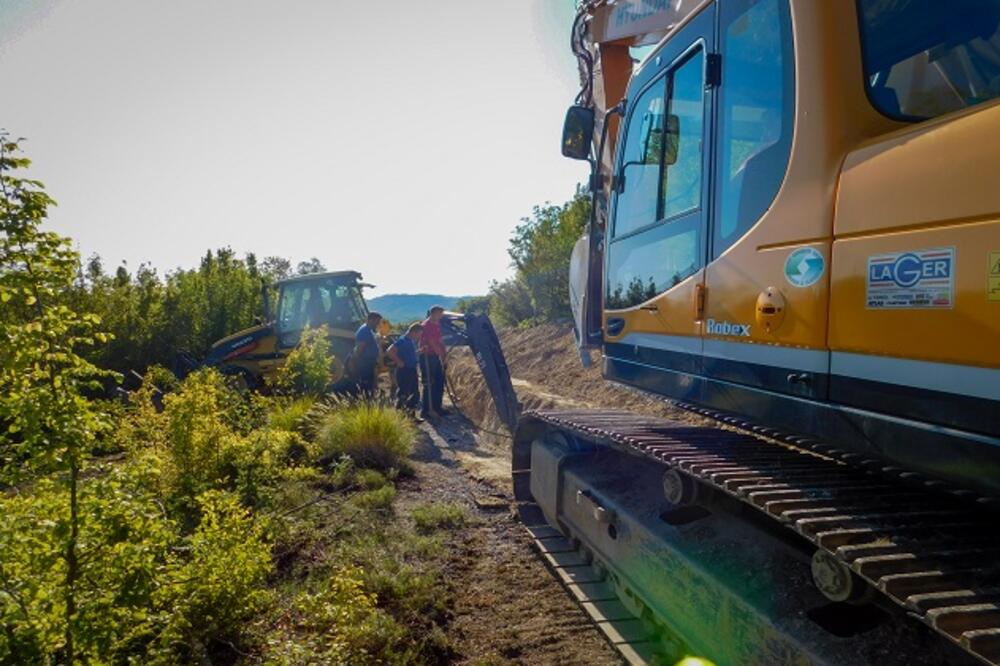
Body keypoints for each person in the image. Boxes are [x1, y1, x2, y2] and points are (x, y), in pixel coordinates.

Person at [418, 305, 448, 418]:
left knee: (439, 382)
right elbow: (432, 343)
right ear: (434, 313)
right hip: (428, 357)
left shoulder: (436, 324)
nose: (441, 316)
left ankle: (437, 407)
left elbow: (439, 340)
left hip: (434, 357)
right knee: (429, 384)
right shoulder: (427, 325)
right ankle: (427, 410)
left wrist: (444, 353)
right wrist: (441, 356)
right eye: (440, 314)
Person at [387, 323, 423, 416]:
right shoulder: (402, 340)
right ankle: (401, 416)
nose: (419, 336)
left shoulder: (410, 341)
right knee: (404, 393)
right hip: (404, 371)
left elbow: (410, 355)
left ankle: (411, 415)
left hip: (412, 370)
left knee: (414, 393)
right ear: (414, 332)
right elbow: (390, 351)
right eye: (419, 334)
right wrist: (398, 361)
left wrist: (419, 352)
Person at [350, 311, 383, 396]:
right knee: (366, 382)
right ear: (371, 320)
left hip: (369, 361)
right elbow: (361, 347)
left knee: (370, 381)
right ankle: (366, 399)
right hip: (365, 361)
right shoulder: (364, 331)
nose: (378, 324)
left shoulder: (369, 330)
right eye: (377, 321)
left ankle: (369, 397)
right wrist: (357, 360)